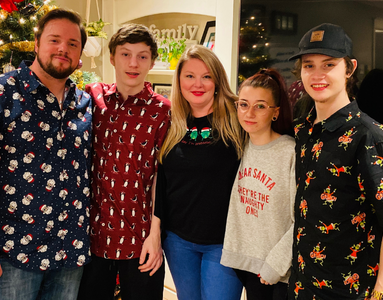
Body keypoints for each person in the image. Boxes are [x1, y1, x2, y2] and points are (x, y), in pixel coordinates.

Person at [0, 8, 91, 300]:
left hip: (69, 253)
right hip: (11, 254)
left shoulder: (84, 103)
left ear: (80, 53)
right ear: (36, 43)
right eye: (54, 40)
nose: (62, 49)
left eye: (72, 44)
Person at [287, 23, 383, 300]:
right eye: (309, 66)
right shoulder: (304, 130)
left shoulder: (370, 137)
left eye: (328, 64)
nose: (317, 75)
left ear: (349, 68)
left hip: (351, 291)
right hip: (303, 284)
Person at [77, 24, 171, 300]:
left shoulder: (162, 111)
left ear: (152, 61)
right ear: (112, 57)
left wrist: (155, 235)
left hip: (141, 238)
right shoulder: (91, 98)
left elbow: (161, 177)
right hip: (93, 237)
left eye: (142, 56)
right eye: (125, 54)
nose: (133, 63)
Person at [154, 44, 245, 300]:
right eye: (190, 76)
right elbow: (161, 183)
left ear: (217, 80)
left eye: (206, 76)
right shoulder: (170, 122)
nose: (198, 84)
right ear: (179, 80)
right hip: (178, 241)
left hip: (224, 242)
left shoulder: (238, 118)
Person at [221, 68, 296, 300]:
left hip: (276, 272)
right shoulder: (240, 145)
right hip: (246, 266)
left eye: (260, 106)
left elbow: (303, 217)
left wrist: (276, 264)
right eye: (243, 104)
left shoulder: (290, 151)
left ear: (275, 112)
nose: (249, 113)